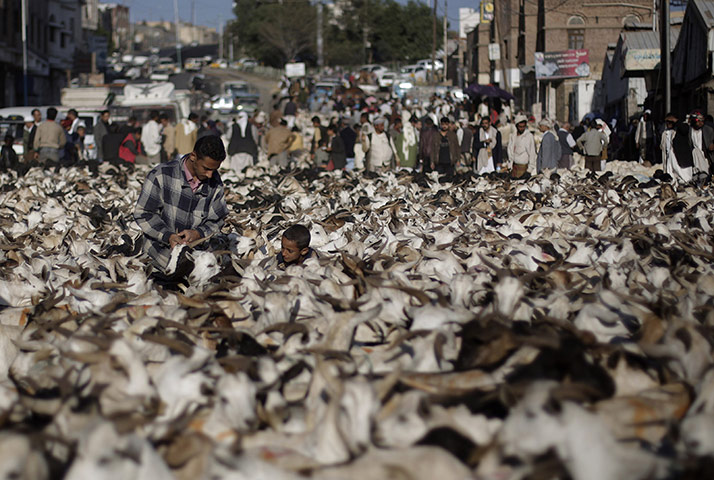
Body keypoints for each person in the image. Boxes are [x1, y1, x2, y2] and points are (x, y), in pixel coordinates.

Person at [134, 135, 229, 272]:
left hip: (195, 260)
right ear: (193, 157)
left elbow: (217, 220)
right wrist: (168, 236)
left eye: (214, 170)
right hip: (159, 258)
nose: (210, 175)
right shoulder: (161, 175)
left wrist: (198, 233)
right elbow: (143, 213)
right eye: (206, 168)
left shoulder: (214, 183)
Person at [661, 113, 692, 184]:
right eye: (667, 122)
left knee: (686, 179)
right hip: (670, 159)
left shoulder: (681, 130)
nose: (669, 124)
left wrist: (675, 120)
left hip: (681, 159)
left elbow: (684, 130)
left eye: (671, 122)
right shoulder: (665, 132)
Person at [507, 114, 536, 178]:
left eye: (523, 127)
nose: (522, 129)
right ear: (516, 126)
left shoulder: (528, 136)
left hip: (524, 169)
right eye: (520, 127)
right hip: (514, 168)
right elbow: (510, 151)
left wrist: (529, 170)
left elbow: (532, 153)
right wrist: (510, 166)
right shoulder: (513, 136)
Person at [688, 109, 714, 174]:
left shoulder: (708, 130)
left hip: (705, 158)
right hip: (693, 158)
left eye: (702, 121)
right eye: (698, 120)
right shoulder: (688, 131)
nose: (700, 123)